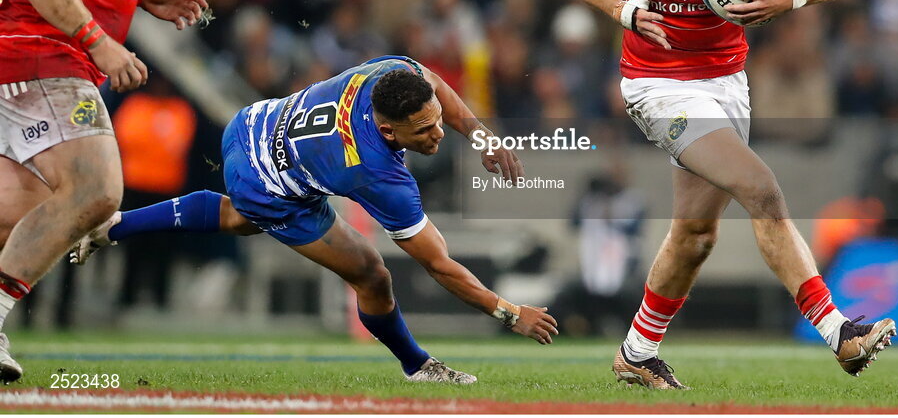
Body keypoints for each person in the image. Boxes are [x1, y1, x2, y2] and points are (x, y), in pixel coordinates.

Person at [556, 0, 895, 390]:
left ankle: (636, 353)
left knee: (696, 236)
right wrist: (620, 9)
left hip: (725, 83)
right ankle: (839, 332)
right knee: (760, 188)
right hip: (656, 86)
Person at [72, 55, 558, 383]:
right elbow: (438, 264)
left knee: (239, 218)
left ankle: (114, 225)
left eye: (436, 122)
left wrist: (481, 136)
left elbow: (435, 85)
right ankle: (418, 366)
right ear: (388, 131)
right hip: (265, 180)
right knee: (371, 274)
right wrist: (509, 312)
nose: (438, 134)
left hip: (251, 123)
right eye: (425, 130)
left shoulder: (390, 74)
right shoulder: (376, 174)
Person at [0, 0, 209, 383]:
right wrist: (101, 42)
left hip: (46, 60)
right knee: (97, 190)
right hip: (44, 57)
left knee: (23, 209)